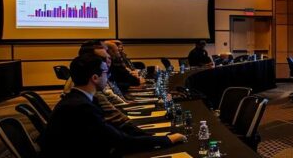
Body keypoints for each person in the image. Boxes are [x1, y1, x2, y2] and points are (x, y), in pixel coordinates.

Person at [39, 53, 185, 157]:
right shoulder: (81, 107)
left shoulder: (79, 99)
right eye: (106, 73)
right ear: (95, 78)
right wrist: (168, 139)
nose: (109, 77)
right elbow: (121, 141)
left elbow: (114, 133)